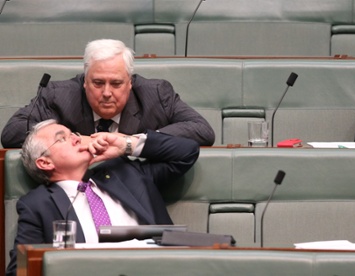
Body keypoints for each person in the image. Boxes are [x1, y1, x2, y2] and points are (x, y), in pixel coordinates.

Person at [5, 119, 200, 276]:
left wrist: (126, 144)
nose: (76, 138)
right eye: (62, 138)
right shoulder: (38, 205)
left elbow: (187, 153)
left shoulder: (125, 173)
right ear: (44, 162)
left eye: (74, 134)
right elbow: (20, 270)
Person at [1, 39, 215, 148]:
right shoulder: (59, 96)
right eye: (97, 82)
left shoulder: (156, 94)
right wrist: (75, 140)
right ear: (84, 81)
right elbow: (12, 134)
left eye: (116, 83)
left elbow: (202, 130)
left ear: (130, 83)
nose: (106, 92)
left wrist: (132, 142)